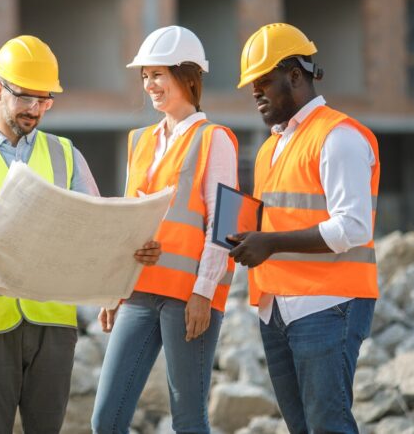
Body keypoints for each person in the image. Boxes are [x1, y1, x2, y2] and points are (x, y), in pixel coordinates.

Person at [0, 34, 160, 434]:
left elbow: (97, 223)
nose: (35, 109)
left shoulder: (65, 153)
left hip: (53, 318)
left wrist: (130, 248)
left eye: (44, 100)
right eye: (24, 98)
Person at [228, 23, 379, 434]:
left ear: (295, 75)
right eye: (251, 86)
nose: (255, 93)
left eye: (263, 82)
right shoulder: (270, 148)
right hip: (277, 307)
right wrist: (245, 235)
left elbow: (352, 226)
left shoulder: (338, 137)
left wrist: (270, 243)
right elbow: (279, 219)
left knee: (328, 426)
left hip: (327, 305)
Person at [92, 25, 238, 434]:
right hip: (138, 291)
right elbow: (127, 223)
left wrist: (203, 293)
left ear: (187, 77)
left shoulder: (216, 140)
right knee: (106, 419)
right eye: (144, 76)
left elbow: (223, 225)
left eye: (158, 74)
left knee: (189, 419)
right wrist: (113, 288)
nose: (149, 85)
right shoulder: (139, 140)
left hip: (188, 297)